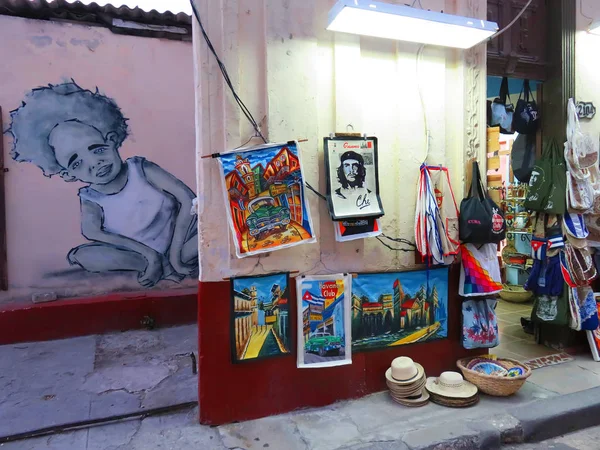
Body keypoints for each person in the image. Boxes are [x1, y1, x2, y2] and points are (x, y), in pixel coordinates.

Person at [7, 81, 198, 287]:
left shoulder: (141, 169)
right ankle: (153, 264)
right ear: (67, 174)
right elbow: (92, 232)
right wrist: (148, 254)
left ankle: (168, 264)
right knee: (83, 255)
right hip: (140, 253)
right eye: (77, 162)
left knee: (208, 234)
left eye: (97, 149)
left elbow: (188, 199)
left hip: (182, 243)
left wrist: (176, 254)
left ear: (112, 139)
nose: (95, 163)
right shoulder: (91, 198)